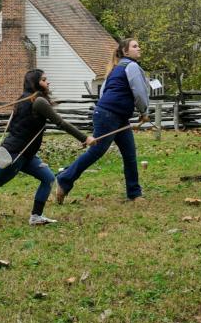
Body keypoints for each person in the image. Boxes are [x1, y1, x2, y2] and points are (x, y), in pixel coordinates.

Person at [0, 69, 95, 225]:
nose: (48, 82)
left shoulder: (23, 99)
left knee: (48, 178)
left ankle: (36, 216)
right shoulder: (38, 101)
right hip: (15, 155)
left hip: (26, 154)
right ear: (35, 83)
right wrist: (85, 138)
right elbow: (61, 123)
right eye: (44, 80)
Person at [54, 38, 150, 204]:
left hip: (116, 116)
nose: (139, 48)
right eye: (135, 46)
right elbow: (140, 92)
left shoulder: (115, 69)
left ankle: (134, 193)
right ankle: (64, 179)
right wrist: (144, 111)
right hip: (109, 115)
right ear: (125, 52)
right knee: (96, 151)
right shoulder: (131, 66)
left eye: (138, 46)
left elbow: (103, 93)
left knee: (129, 154)